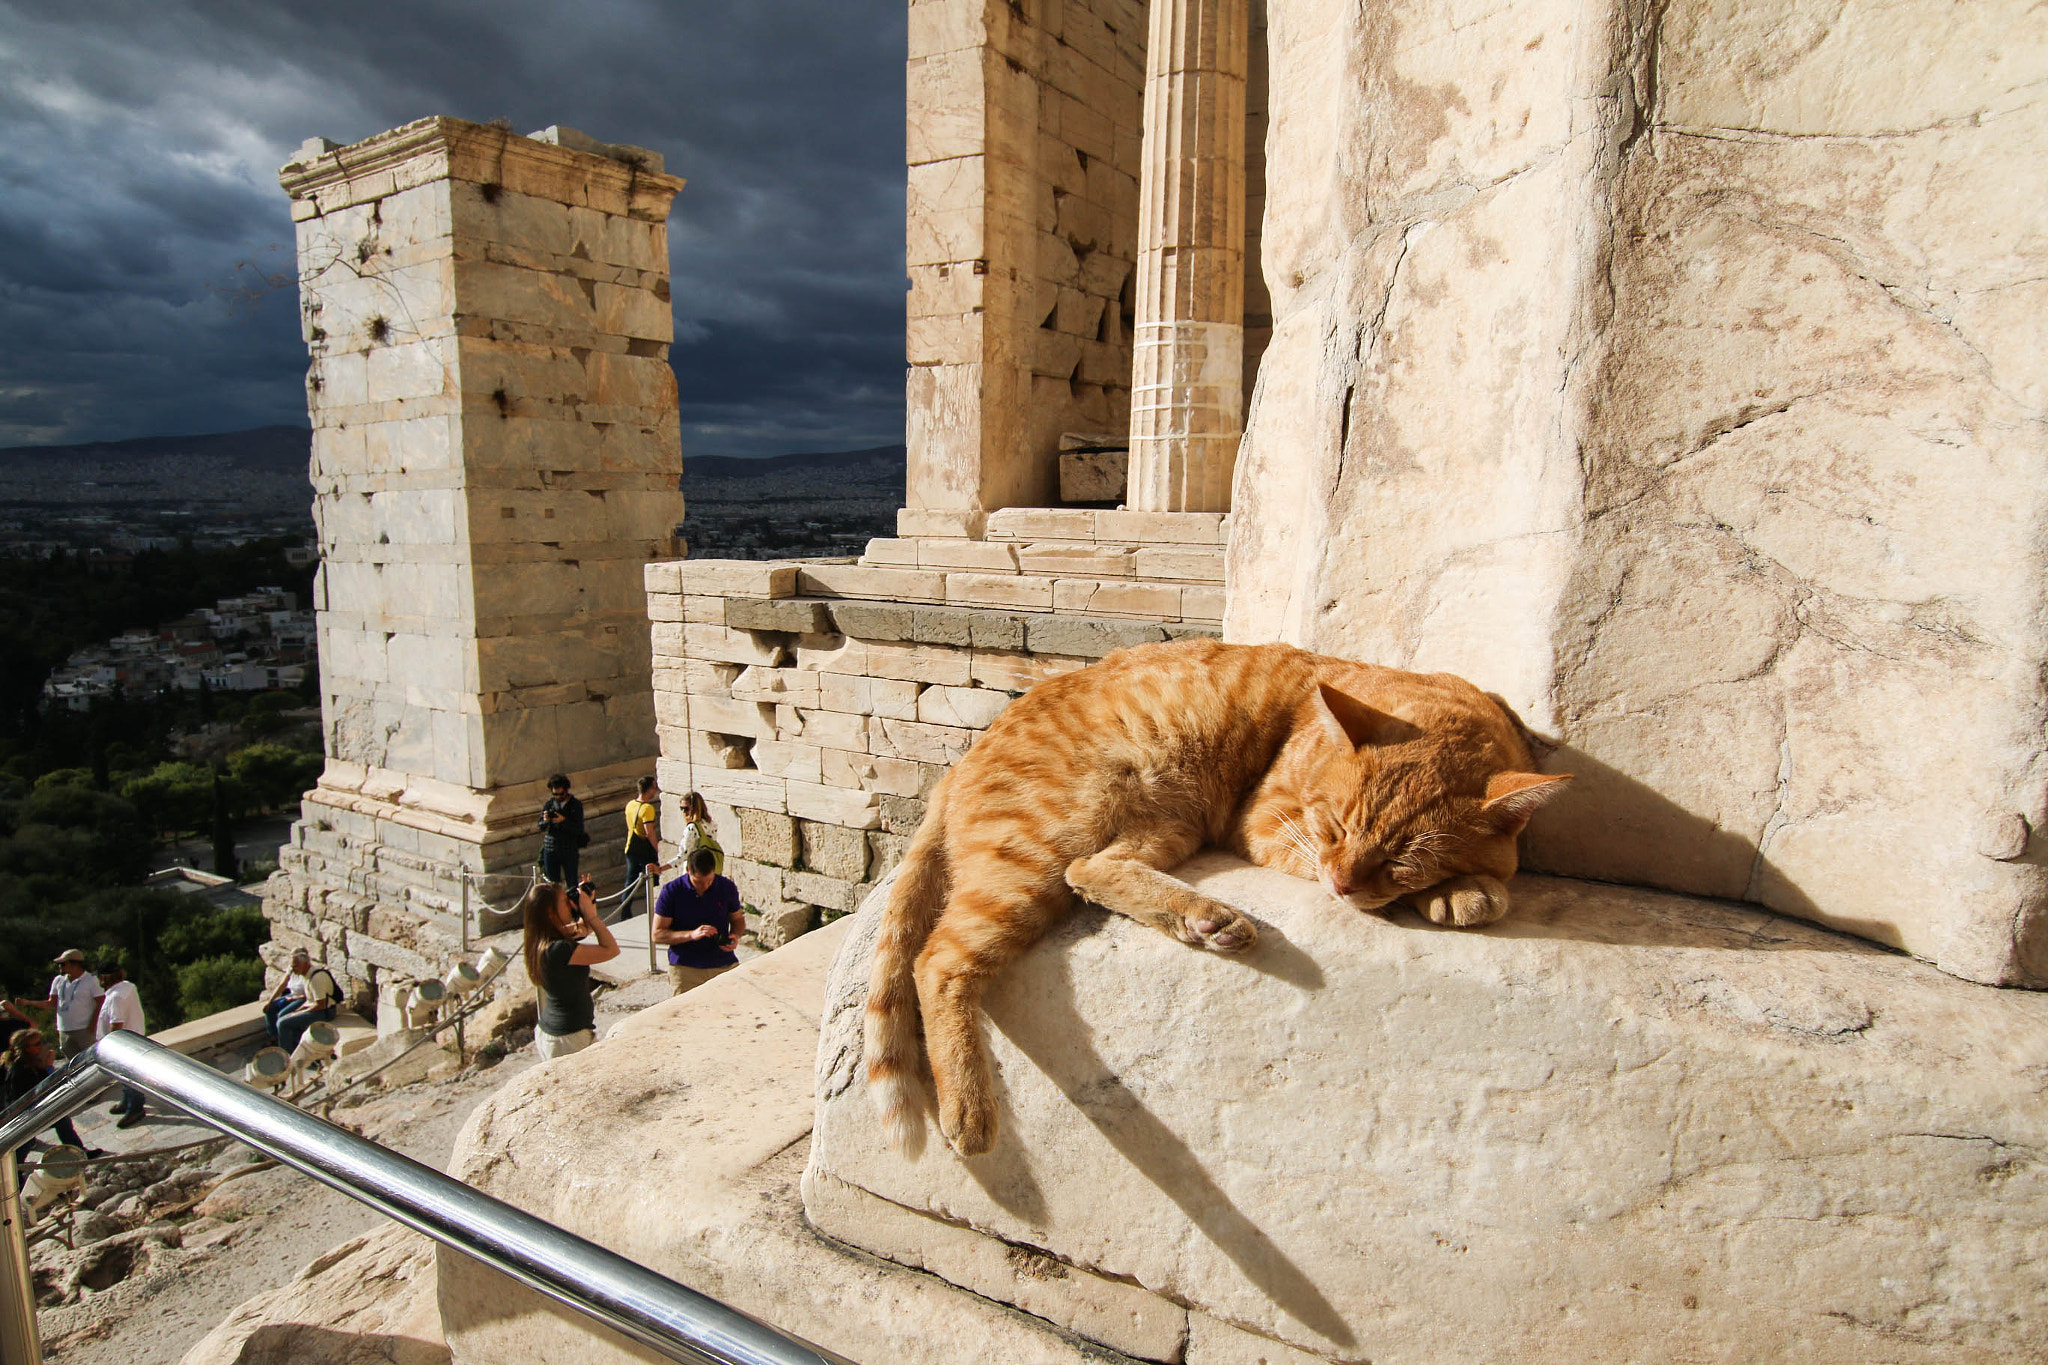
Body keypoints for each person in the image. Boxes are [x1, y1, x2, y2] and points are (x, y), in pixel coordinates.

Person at [521, 875, 618, 1060]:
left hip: (556, 1034)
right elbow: (610, 949)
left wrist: (587, 903)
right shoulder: (559, 950)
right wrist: (590, 915)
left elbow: (584, 929)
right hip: (567, 1038)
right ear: (551, 912)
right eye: (565, 902)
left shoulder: (542, 940)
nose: (569, 904)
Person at [651, 848, 745, 997]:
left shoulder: (726, 887)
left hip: (722, 963)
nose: (705, 886)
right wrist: (691, 935)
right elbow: (657, 935)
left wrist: (735, 936)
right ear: (688, 870)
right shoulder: (671, 892)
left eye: (709, 880)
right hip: (686, 968)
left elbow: (738, 919)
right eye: (699, 882)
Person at [3, 1029, 99, 1161]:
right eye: (37, 1044)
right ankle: (15, 1171)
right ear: (26, 1048)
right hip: (26, 1113)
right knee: (25, 1143)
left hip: (35, 1108)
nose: (41, 1046)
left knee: (62, 1123)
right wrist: (47, 1067)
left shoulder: (30, 1062)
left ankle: (79, 1153)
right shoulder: (20, 1069)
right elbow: (38, 1088)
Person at [13, 949, 105, 1060]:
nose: (59, 967)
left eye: (62, 964)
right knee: (72, 1064)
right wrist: (28, 1003)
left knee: (91, 1060)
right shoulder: (58, 980)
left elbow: (100, 1002)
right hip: (64, 1029)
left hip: (84, 1029)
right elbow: (51, 1004)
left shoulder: (91, 980)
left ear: (75, 964)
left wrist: (93, 1024)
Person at [95, 965, 147, 1127]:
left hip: (123, 1045)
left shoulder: (116, 997)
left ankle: (135, 1109)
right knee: (124, 1077)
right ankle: (126, 1102)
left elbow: (116, 1024)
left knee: (130, 1077)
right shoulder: (128, 987)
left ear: (104, 978)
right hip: (133, 1039)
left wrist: (110, 1046)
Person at [275, 958, 341, 1056]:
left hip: (326, 1012)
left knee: (283, 1023)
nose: (293, 969)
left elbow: (321, 1005)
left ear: (305, 964)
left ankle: (287, 1056)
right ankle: (301, 1048)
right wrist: (296, 1011)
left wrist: (300, 1013)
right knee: (283, 1016)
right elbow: (310, 1000)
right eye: (292, 966)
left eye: (295, 965)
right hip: (316, 1008)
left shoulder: (316, 978)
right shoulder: (307, 976)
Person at [621, 775, 666, 907]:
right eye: (655, 788)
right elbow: (649, 832)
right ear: (650, 788)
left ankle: (625, 911)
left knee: (629, 882)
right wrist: (658, 849)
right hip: (644, 850)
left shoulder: (630, 804)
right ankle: (659, 907)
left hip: (631, 847)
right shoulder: (647, 808)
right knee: (655, 879)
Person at [537, 774, 586, 886]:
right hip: (551, 848)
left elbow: (579, 828)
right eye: (555, 794)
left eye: (561, 794)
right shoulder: (550, 804)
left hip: (569, 848)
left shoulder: (575, 805)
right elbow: (540, 826)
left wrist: (563, 821)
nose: (558, 797)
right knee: (552, 885)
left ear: (566, 790)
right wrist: (545, 820)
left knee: (571, 882)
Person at [264, 948, 313, 1043]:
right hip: (293, 995)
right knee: (270, 1008)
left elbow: (310, 994)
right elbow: (282, 985)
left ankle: (286, 1041)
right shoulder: (292, 969)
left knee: (283, 1015)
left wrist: (292, 1000)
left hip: (303, 998)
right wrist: (270, 1001)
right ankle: (274, 1036)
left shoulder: (308, 972)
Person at [678, 791, 723, 876]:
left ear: (694, 808)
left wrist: (663, 868)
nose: (684, 812)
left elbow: (683, 855)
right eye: (681, 808)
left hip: (694, 871)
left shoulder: (691, 828)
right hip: (708, 870)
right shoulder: (711, 824)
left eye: (686, 808)